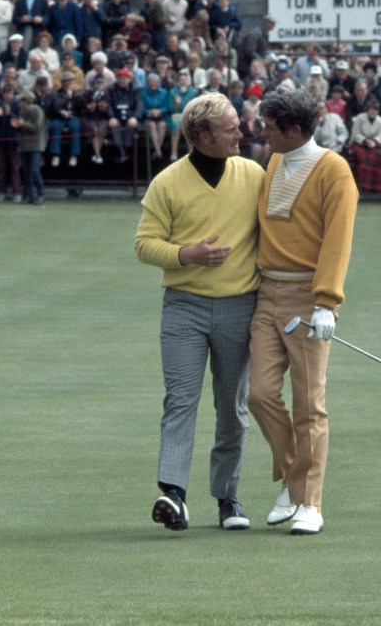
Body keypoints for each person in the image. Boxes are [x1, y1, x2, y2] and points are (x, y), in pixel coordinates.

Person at [134, 91, 263, 532]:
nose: (240, 133)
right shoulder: (167, 182)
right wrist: (187, 254)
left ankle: (228, 497)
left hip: (239, 305)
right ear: (201, 135)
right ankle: (173, 494)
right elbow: (145, 244)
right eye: (231, 128)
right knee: (181, 401)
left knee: (232, 407)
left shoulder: (252, 173)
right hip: (184, 308)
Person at [250, 88, 357, 536]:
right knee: (258, 394)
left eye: (270, 127)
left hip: (308, 300)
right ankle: (295, 479)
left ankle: (309, 501)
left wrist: (327, 300)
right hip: (265, 293)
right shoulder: (273, 161)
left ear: (294, 130)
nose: (263, 133)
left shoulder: (334, 170)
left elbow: (338, 238)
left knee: (309, 403)